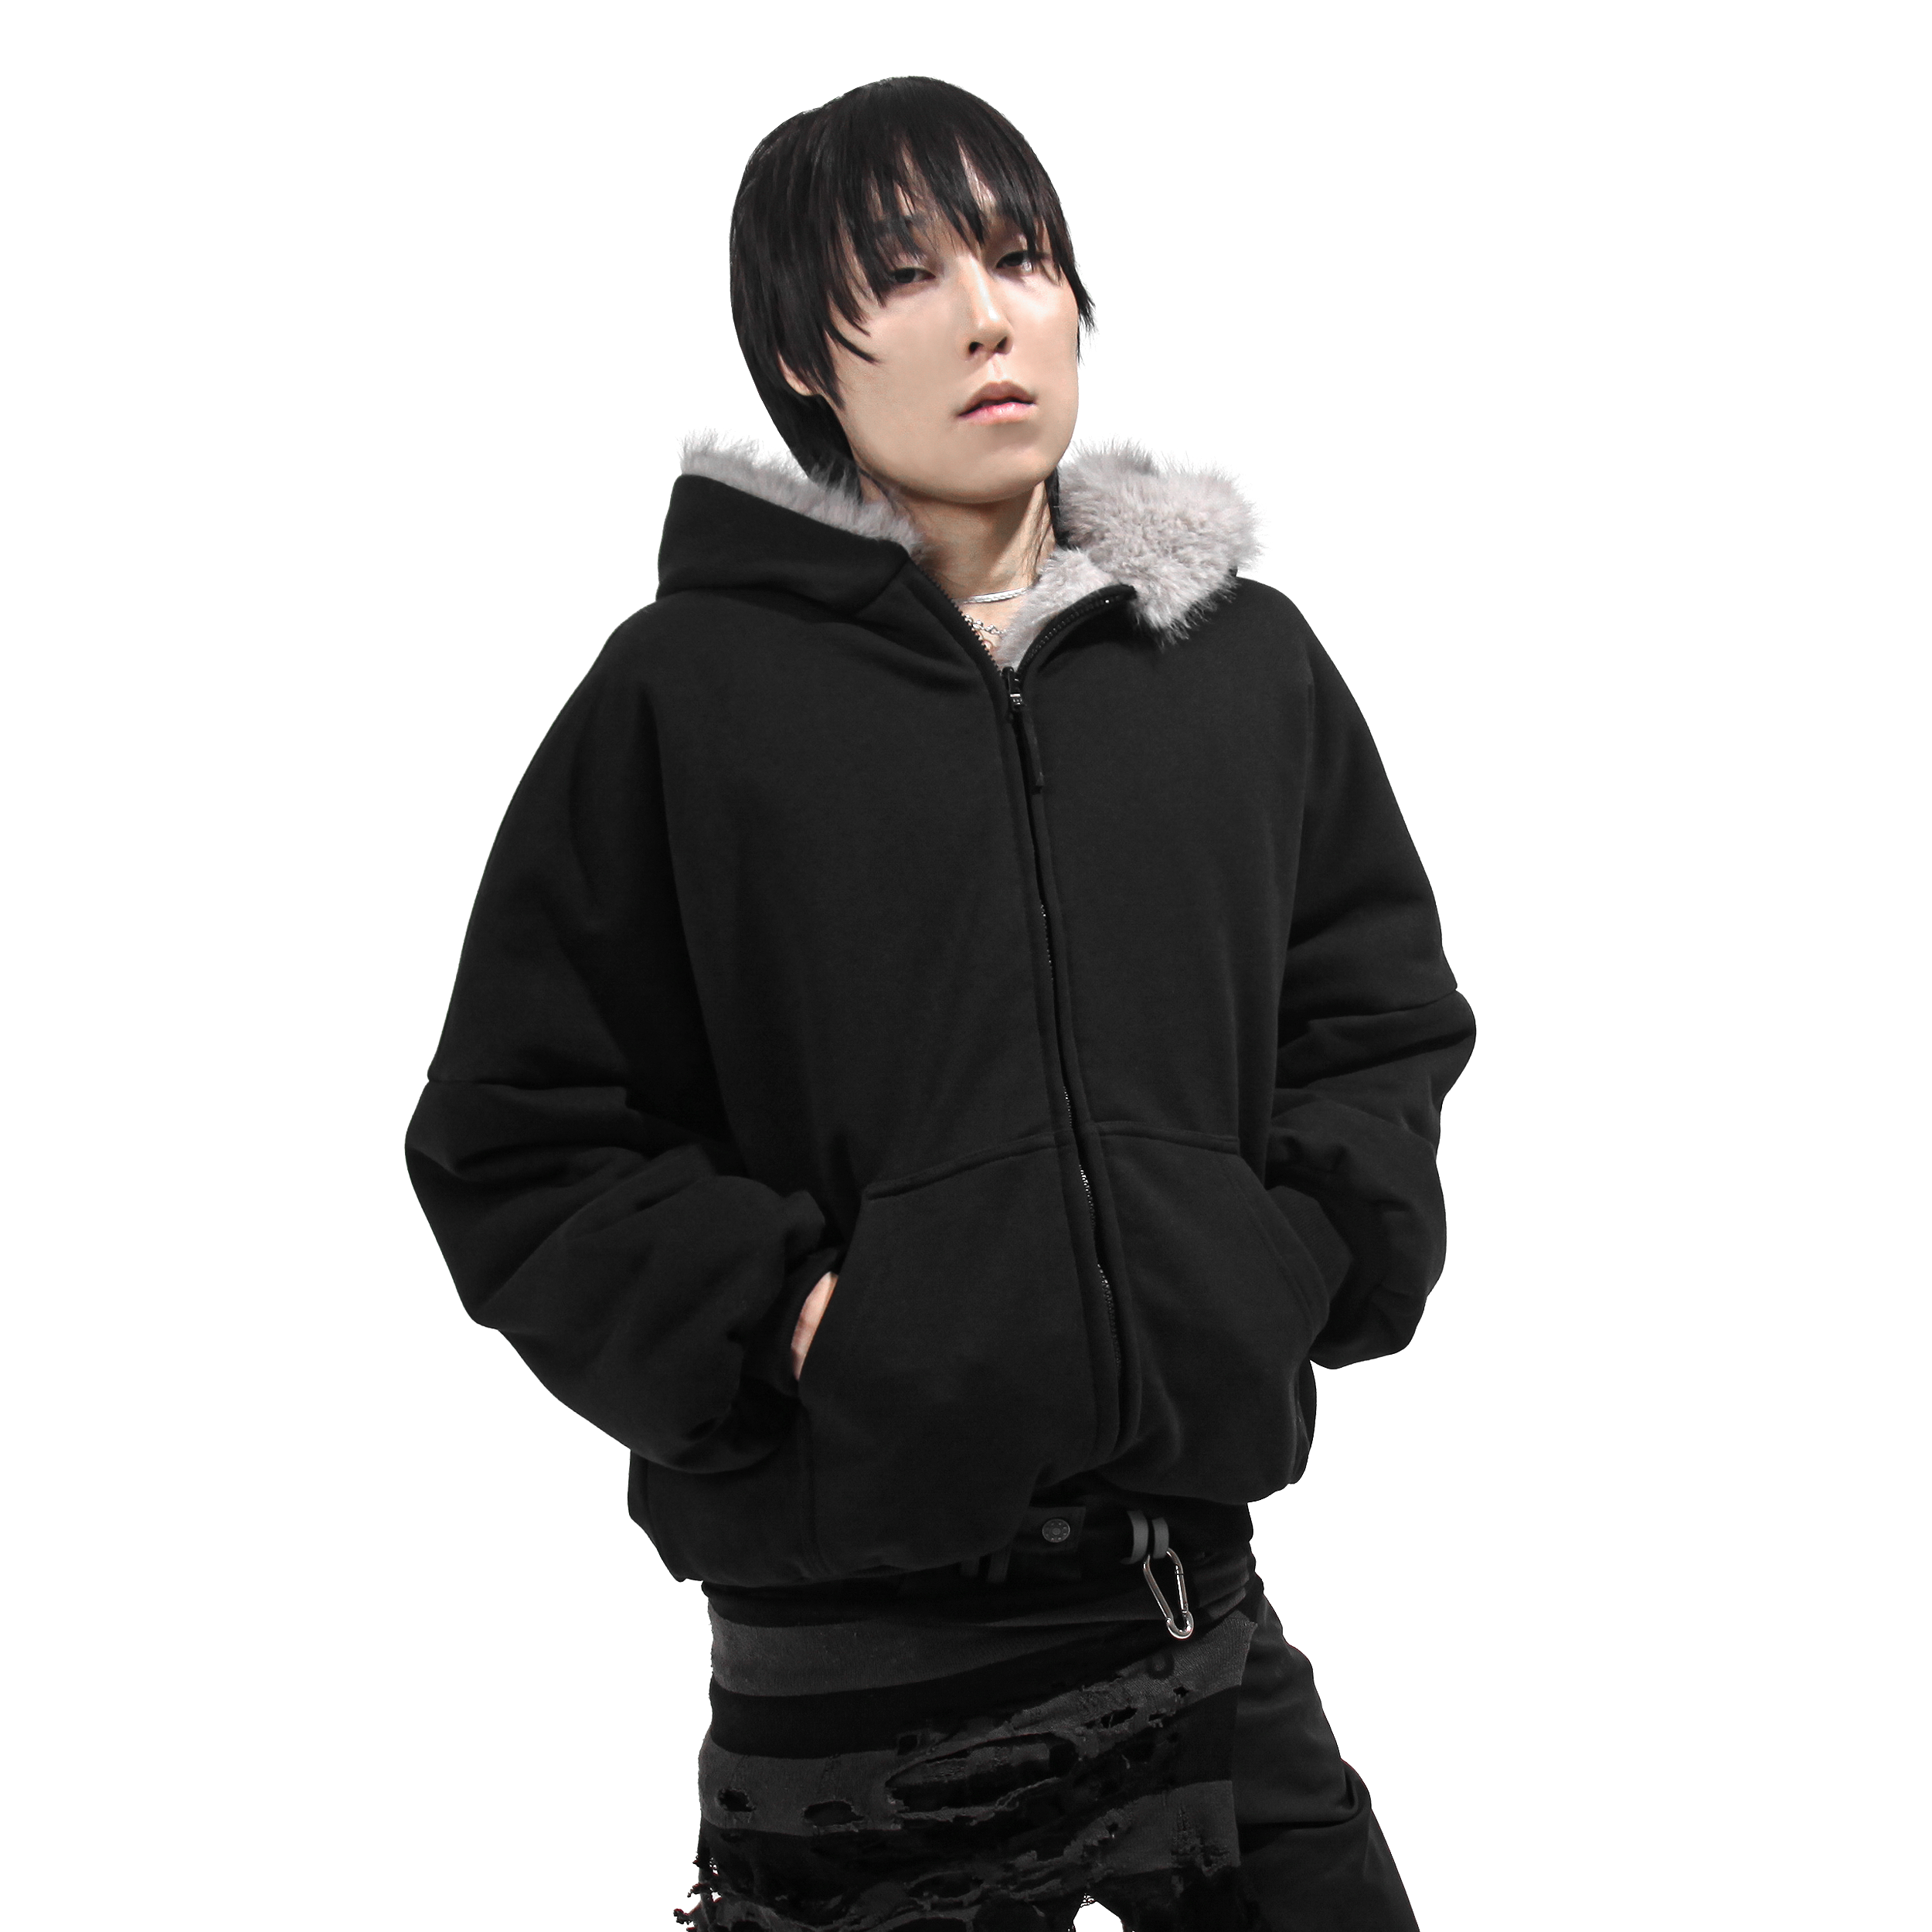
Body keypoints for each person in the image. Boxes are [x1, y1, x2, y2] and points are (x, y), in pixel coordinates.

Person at [406, 74, 1476, 1932]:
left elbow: (1370, 1013)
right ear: (797, 358)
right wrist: (791, 1318)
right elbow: (519, 1131)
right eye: (904, 274)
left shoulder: (1237, 668)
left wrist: (1283, 1257)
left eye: (1023, 255)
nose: (989, 315)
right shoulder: (687, 695)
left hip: (1190, 1609)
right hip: (861, 1677)